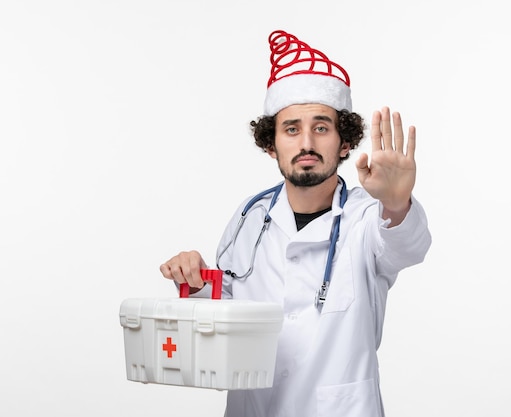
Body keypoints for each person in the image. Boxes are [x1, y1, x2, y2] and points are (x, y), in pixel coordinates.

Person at [159, 29, 432, 417]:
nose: (306, 143)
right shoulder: (249, 219)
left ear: (344, 142)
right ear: (271, 144)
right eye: (291, 129)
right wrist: (200, 284)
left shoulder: (366, 218)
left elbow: (408, 246)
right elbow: (227, 321)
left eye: (321, 128)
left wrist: (396, 200)